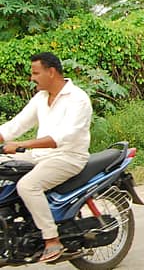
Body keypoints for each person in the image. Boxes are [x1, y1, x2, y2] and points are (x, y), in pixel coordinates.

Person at [0, 52, 92, 263]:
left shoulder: (78, 99)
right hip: (40, 156)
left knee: (28, 186)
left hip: (68, 157)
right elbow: (15, 126)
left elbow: (63, 137)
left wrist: (22, 145)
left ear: (51, 72)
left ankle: (52, 240)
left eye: (35, 73)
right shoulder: (41, 98)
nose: (32, 78)